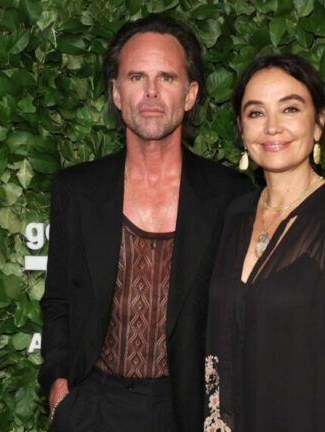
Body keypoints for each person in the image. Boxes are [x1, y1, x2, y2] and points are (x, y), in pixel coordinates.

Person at [39, 14, 250, 432]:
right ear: (116, 94)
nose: (151, 92)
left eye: (166, 78)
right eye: (136, 77)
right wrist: (58, 388)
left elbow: (239, 318)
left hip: (186, 410)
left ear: (190, 95)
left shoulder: (231, 196)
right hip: (91, 406)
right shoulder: (76, 190)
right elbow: (59, 300)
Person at [204, 53, 325, 432]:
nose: (273, 127)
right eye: (256, 113)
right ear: (241, 129)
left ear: (318, 122)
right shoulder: (232, 216)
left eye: (289, 108)